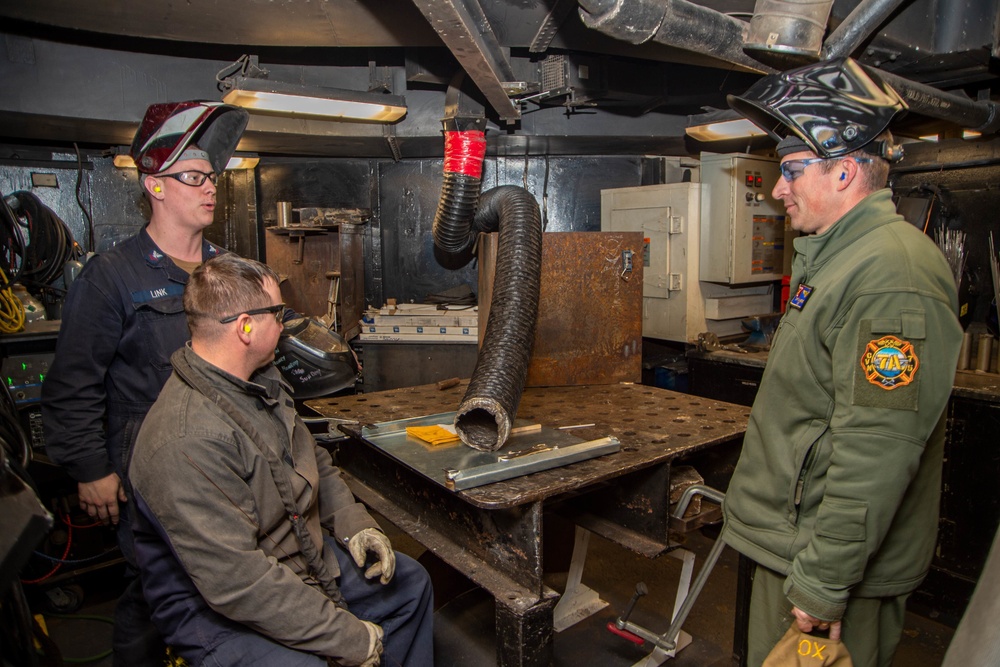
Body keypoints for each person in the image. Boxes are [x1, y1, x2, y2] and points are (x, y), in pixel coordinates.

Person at [722, 57, 963, 666]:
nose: (778, 189)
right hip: (796, 545)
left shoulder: (890, 274)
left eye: (791, 171)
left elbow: (876, 448)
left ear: (845, 172)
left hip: (822, 559)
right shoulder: (840, 259)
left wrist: (825, 582)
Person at [128, 254, 434, 666]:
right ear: (245, 327)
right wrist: (347, 638)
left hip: (296, 556)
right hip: (218, 608)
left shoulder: (260, 381)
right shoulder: (185, 440)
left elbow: (314, 464)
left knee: (410, 585)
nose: (286, 323)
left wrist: (353, 522)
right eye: (278, 313)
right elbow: (240, 582)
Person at [41, 100, 250, 665]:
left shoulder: (228, 272)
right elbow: (73, 384)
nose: (210, 189)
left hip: (226, 464)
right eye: (193, 177)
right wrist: (90, 469)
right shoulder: (112, 276)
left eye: (213, 178)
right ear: (154, 185)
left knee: (225, 583)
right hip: (148, 473)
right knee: (154, 590)